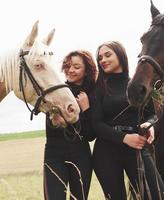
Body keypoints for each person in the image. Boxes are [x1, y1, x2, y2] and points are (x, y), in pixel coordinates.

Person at [91, 41, 164, 200]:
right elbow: (96, 125)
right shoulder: (98, 88)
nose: (103, 60)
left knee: (158, 195)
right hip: (106, 152)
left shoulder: (137, 84)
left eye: (107, 55)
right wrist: (125, 138)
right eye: (100, 58)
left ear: (120, 55)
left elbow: (152, 115)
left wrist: (149, 124)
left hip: (137, 148)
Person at [43, 50, 97, 200]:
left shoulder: (92, 95)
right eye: (68, 66)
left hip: (81, 157)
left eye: (76, 67)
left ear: (87, 71)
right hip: (54, 156)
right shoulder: (55, 91)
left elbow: (90, 135)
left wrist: (86, 109)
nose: (71, 70)